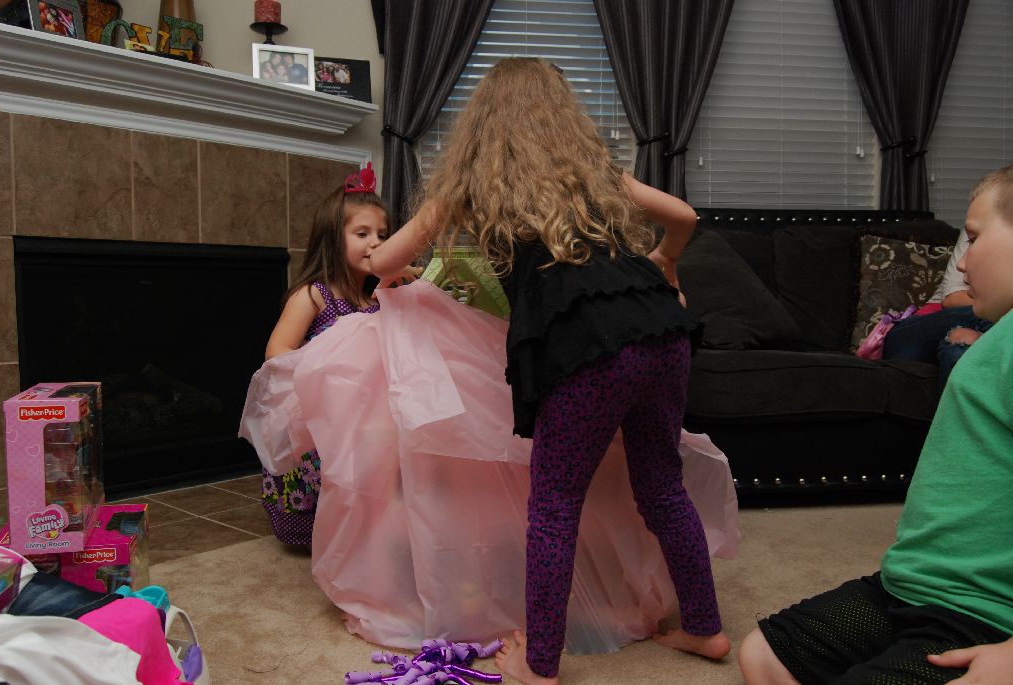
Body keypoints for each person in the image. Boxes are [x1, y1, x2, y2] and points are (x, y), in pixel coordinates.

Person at [368, 57, 729, 685]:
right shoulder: (595, 175)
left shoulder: (470, 186)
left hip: (591, 350)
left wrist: (397, 269)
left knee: (556, 506)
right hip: (663, 333)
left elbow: (384, 262)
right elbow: (684, 216)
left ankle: (539, 667)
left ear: (483, 122)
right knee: (662, 488)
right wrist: (666, 262)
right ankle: (705, 627)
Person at [738, 165, 1013, 685]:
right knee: (763, 656)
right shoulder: (1000, 333)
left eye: (975, 238)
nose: (962, 260)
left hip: (983, 613)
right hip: (911, 586)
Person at [257, 163, 388, 545]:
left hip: (366, 414)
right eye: (362, 233)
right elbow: (276, 352)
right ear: (333, 239)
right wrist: (326, 370)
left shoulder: (377, 299)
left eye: (382, 235)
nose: (376, 243)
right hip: (321, 416)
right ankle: (322, 523)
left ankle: (371, 522)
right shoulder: (315, 295)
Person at [883, 227, 991, 390]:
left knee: (960, 346)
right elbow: (952, 298)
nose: (962, 265)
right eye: (972, 241)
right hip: (921, 326)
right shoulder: (987, 221)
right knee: (995, 315)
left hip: (976, 328)